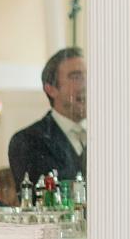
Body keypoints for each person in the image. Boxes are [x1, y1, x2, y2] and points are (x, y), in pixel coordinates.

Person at [7, 47, 86, 191]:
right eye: (76, 77)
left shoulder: (112, 135)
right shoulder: (28, 141)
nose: (87, 84)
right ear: (51, 89)